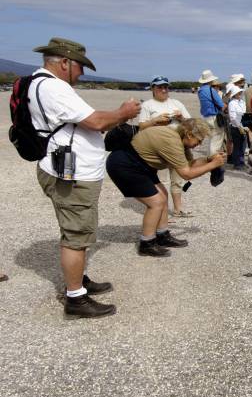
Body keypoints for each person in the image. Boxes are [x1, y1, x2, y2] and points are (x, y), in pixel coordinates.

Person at [30, 37, 141, 318]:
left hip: (64, 169)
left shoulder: (41, 83)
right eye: (80, 67)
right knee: (76, 235)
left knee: (75, 230)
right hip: (71, 175)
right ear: (65, 62)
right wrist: (123, 113)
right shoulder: (54, 87)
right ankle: (75, 298)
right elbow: (96, 122)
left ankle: (78, 281)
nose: (81, 73)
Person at [106, 119, 226, 257]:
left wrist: (210, 160)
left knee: (163, 196)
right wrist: (212, 165)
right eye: (198, 141)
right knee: (156, 202)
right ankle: (147, 243)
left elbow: (189, 164)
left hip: (141, 165)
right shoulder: (172, 142)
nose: (198, 145)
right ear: (188, 134)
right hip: (125, 165)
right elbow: (186, 174)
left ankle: (162, 236)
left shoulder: (179, 140)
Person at [138, 75, 192, 218]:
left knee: (178, 177)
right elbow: (141, 126)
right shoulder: (147, 105)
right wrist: (155, 120)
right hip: (156, 148)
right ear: (153, 89)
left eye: (166, 87)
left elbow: (190, 123)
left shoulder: (177, 103)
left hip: (176, 146)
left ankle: (178, 208)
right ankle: (160, 210)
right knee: (159, 179)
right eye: (160, 87)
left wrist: (181, 118)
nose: (164, 89)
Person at [197, 70, 225, 156]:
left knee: (211, 139)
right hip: (214, 117)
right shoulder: (211, 90)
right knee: (217, 139)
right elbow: (221, 104)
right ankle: (213, 161)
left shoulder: (200, 90)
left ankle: (210, 158)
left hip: (205, 117)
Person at [226, 84, 247, 170]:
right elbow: (232, 117)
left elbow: (244, 114)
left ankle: (241, 162)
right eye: (238, 93)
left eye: (240, 92)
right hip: (235, 127)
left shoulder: (242, 102)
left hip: (243, 126)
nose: (240, 94)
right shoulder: (232, 103)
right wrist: (239, 126)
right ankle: (237, 164)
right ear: (234, 94)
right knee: (237, 146)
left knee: (243, 146)